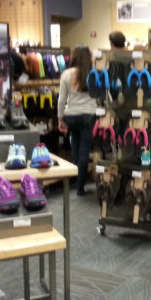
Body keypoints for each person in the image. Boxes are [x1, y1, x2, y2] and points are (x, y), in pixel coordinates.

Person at [58, 46, 97, 196]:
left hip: (71, 116)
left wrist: (60, 118)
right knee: (84, 150)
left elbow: (62, 99)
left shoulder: (66, 74)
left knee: (75, 147)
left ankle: (76, 179)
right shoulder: (93, 72)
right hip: (89, 115)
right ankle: (80, 186)